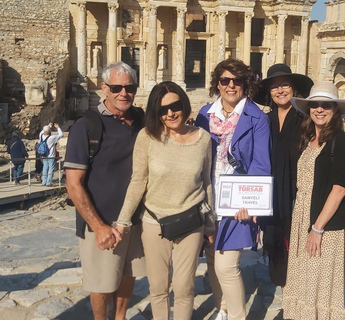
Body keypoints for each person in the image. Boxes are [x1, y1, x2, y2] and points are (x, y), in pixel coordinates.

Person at [254, 64, 345, 290]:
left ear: (294, 89)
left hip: (298, 197)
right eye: (274, 87)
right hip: (272, 195)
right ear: (269, 92)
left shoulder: (304, 118)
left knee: (298, 253)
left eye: (285, 84)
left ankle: (294, 302)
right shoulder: (263, 121)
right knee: (276, 250)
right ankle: (288, 299)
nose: (280, 90)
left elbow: (326, 143)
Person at [114, 81, 214, 320]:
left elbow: (206, 181)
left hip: (191, 221)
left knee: (184, 286)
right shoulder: (147, 137)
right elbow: (138, 181)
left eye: (175, 106)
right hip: (154, 222)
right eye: (162, 109)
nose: (170, 113)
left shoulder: (203, 139)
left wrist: (210, 223)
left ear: (185, 105)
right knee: (158, 287)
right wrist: (122, 221)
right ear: (155, 113)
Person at [64, 61, 145, 320]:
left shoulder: (142, 120)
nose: (124, 93)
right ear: (104, 88)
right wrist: (98, 226)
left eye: (129, 87)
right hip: (102, 220)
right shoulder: (87, 126)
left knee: (128, 275)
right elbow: (73, 183)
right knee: (102, 282)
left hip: (136, 219)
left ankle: (120, 318)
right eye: (116, 87)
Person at [196, 58, 271, 320]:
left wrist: (251, 203)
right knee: (214, 260)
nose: (230, 86)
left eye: (236, 80)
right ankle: (222, 308)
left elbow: (261, 164)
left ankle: (237, 316)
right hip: (208, 198)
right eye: (224, 80)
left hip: (238, 201)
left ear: (245, 84)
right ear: (217, 84)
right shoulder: (205, 114)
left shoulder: (257, 118)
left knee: (228, 265)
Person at [282, 82, 345, 319]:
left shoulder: (340, 140)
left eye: (326, 105)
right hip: (303, 218)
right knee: (304, 281)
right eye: (315, 105)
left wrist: (317, 228)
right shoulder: (308, 139)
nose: (320, 109)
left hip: (324, 225)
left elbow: (340, 189)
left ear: (335, 110)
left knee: (319, 285)